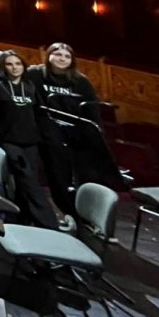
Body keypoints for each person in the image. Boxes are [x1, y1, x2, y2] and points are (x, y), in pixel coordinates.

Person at [27, 41, 101, 218]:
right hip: (45, 133)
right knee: (55, 174)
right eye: (58, 54)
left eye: (67, 56)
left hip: (74, 135)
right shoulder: (35, 74)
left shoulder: (81, 81)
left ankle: (80, 214)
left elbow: (92, 111)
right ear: (49, 56)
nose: (62, 59)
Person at [0, 51, 60, 229]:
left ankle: (22, 220)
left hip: (31, 141)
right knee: (28, 180)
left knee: (25, 183)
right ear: (3, 67)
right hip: (10, 140)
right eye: (10, 64)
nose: (14, 68)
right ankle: (49, 224)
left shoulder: (29, 86)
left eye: (18, 64)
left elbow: (38, 113)